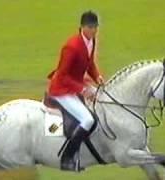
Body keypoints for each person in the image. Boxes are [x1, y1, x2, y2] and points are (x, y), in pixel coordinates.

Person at [46, 10, 104, 171]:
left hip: (76, 85)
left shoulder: (91, 41)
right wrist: (83, 89)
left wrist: (97, 76)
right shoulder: (71, 47)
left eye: (96, 27)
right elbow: (62, 76)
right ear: (82, 27)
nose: (94, 30)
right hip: (62, 89)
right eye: (91, 27)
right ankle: (67, 158)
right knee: (88, 120)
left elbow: (90, 63)